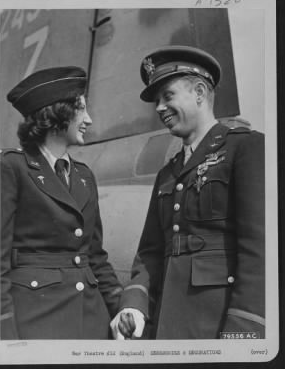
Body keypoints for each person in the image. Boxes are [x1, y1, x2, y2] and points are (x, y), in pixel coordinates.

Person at [110, 46, 265, 339]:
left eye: (167, 96)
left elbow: (260, 249)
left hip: (218, 324)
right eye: (157, 101)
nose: (158, 108)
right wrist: (133, 305)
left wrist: (244, 332)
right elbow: (150, 253)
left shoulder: (246, 148)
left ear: (199, 91)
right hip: (169, 325)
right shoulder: (167, 174)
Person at [0, 66, 123, 339]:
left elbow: (95, 256)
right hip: (37, 321)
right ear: (57, 112)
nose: (89, 119)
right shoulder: (12, 168)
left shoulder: (84, 175)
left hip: (91, 320)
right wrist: (5, 336)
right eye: (81, 109)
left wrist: (121, 308)